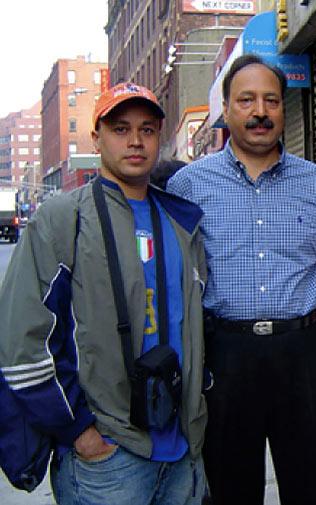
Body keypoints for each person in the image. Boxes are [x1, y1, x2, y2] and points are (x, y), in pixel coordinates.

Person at [0, 82, 209, 504]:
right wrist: (78, 431)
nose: (135, 140)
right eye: (120, 128)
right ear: (96, 138)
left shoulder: (182, 223)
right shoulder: (63, 219)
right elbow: (22, 343)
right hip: (107, 461)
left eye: (147, 129)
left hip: (182, 453)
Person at [167, 54, 316, 505]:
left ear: (284, 108)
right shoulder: (189, 185)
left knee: (312, 488)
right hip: (224, 357)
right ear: (226, 108)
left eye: (271, 100)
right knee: (228, 490)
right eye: (246, 100)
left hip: (302, 354)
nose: (260, 111)